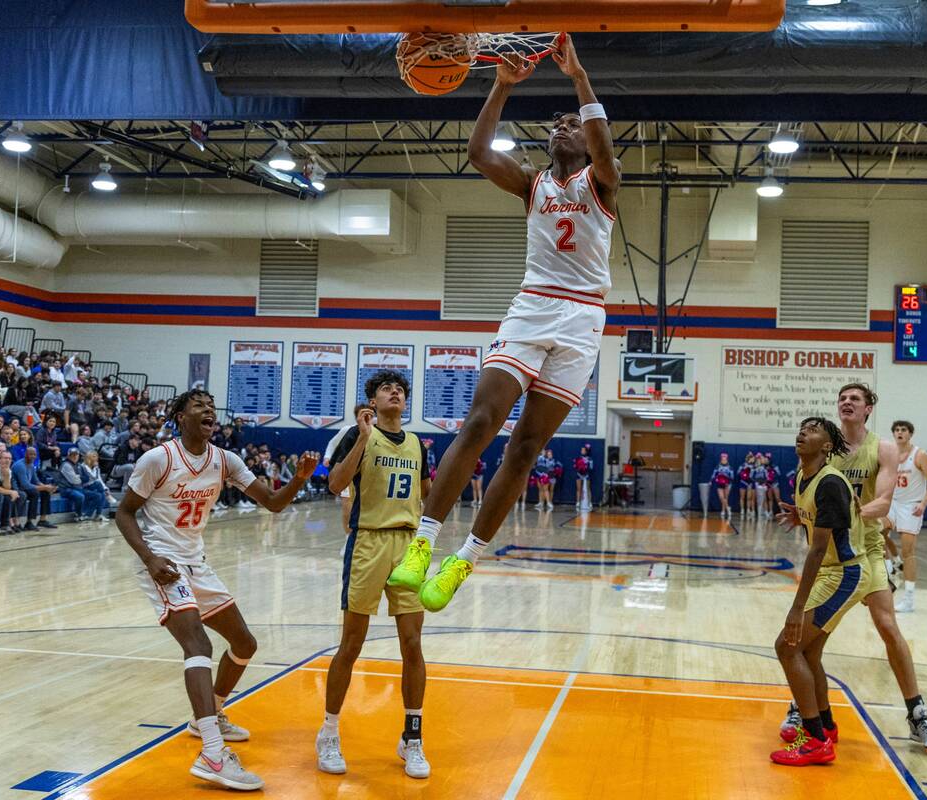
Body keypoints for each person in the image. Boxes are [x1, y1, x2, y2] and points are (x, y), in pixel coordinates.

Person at [388, 36, 619, 612]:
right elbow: (477, 152)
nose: (561, 128)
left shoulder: (601, 182)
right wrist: (501, 84)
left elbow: (603, 146)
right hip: (534, 304)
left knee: (525, 450)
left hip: (584, 319)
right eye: (557, 124)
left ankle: (465, 558)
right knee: (482, 420)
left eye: (571, 123)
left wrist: (579, 78)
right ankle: (423, 543)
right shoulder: (531, 183)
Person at [115, 389, 318, 790]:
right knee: (199, 647)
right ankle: (211, 753)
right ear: (179, 416)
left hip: (198, 563)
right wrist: (150, 559)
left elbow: (273, 503)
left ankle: (209, 714)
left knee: (245, 643)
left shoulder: (225, 460)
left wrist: (298, 479)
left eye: (211, 406)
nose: (209, 410)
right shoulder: (158, 458)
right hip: (164, 564)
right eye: (199, 405)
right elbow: (124, 512)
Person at [782, 383, 927, 750]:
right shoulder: (822, 447)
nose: (846, 402)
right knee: (811, 642)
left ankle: (918, 714)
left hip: (867, 552)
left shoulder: (883, 449)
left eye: (855, 398)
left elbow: (885, 502)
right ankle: (803, 708)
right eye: (842, 398)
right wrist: (804, 513)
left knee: (887, 626)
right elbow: (811, 492)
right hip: (833, 555)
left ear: (868, 408)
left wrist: (848, 512)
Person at [317, 370, 432, 779]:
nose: (396, 391)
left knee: (413, 644)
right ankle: (329, 732)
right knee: (351, 643)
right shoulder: (356, 436)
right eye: (387, 388)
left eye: (400, 388)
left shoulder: (419, 444)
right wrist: (364, 438)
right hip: (368, 543)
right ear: (371, 400)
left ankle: (412, 738)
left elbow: (427, 494)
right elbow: (334, 484)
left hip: (408, 545)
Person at [771, 417, 867, 767]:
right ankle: (825, 726)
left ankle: (814, 741)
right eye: (802, 427)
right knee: (807, 653)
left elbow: (816, 550)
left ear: (827, 446)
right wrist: (802, 518)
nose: (802, 433)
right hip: (831, 571)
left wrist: (797, 608)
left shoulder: (829, 482)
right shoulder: (802, 476)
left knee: (787, 645)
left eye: (812, 430)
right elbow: (819, 526)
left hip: (842, 573)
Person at [888, 420, 927, 613]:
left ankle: (909, 598)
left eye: (904, 430)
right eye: (897, 430)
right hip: (892, 503)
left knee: (908, 550)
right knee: (874, 532)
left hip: (911, 506)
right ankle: (888, 572)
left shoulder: (920, 455)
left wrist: (923, 504)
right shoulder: (889, 453)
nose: (900, 433)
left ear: (910, 434)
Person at [11, 446, 58, 531]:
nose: (32, 456)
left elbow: (36, 480)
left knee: (45, 492)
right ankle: (29, 522)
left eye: (34, 455)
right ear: (26, 454)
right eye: (30, 454)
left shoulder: (31, 465)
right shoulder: (20, 465)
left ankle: (42, 520)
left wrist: (47, 487)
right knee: (35, 493)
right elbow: (25, 485)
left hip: (26, 488)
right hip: (18, 489)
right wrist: (44, 487)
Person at [0, 449, 21, 534]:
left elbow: (7, 488)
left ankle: (5, 525)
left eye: (9, 458)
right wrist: (11, 492)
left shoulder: (8, 470)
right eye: (5, 458)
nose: (8, 460)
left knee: (8, 497)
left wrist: (6, 476)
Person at [711, 452, 734, 519]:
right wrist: (711, 481)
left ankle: (723, 510)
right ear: (721, 459)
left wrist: (725, 476)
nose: (724, 460)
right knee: (721, 497)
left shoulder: (730, 467)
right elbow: (713, 474)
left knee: (725, 497)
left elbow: (732, 477)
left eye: (725, 459)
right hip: (719, 483)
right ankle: (728, 508)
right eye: (722, 459)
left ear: (727, 459)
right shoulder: (718, 466)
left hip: (727, 484)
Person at [573, 444, 593, 512]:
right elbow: (575, 466)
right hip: (579, 474)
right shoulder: (578, 458)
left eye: (583, 450)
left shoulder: (589, 459)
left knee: (588, 489)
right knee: (579, 489)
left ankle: (589, 503)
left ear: (586, 451)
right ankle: (578, 502)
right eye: (581, 450)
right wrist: (578, 466)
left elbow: (591, 467)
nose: (582, 451)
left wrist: (585, 466)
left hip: (586, 475)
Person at [739, 454, 755, 520]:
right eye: (752, 458)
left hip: (750, 483)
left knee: (749, 497)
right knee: (742, 497)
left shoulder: (754, 466)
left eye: (753, 459)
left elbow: (755, 475)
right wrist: (744, 469)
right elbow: (738, 472)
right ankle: (742, 510)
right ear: (749, 459)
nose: (753, 460)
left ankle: (748, 509)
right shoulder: (743, 465)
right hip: (743, 482)